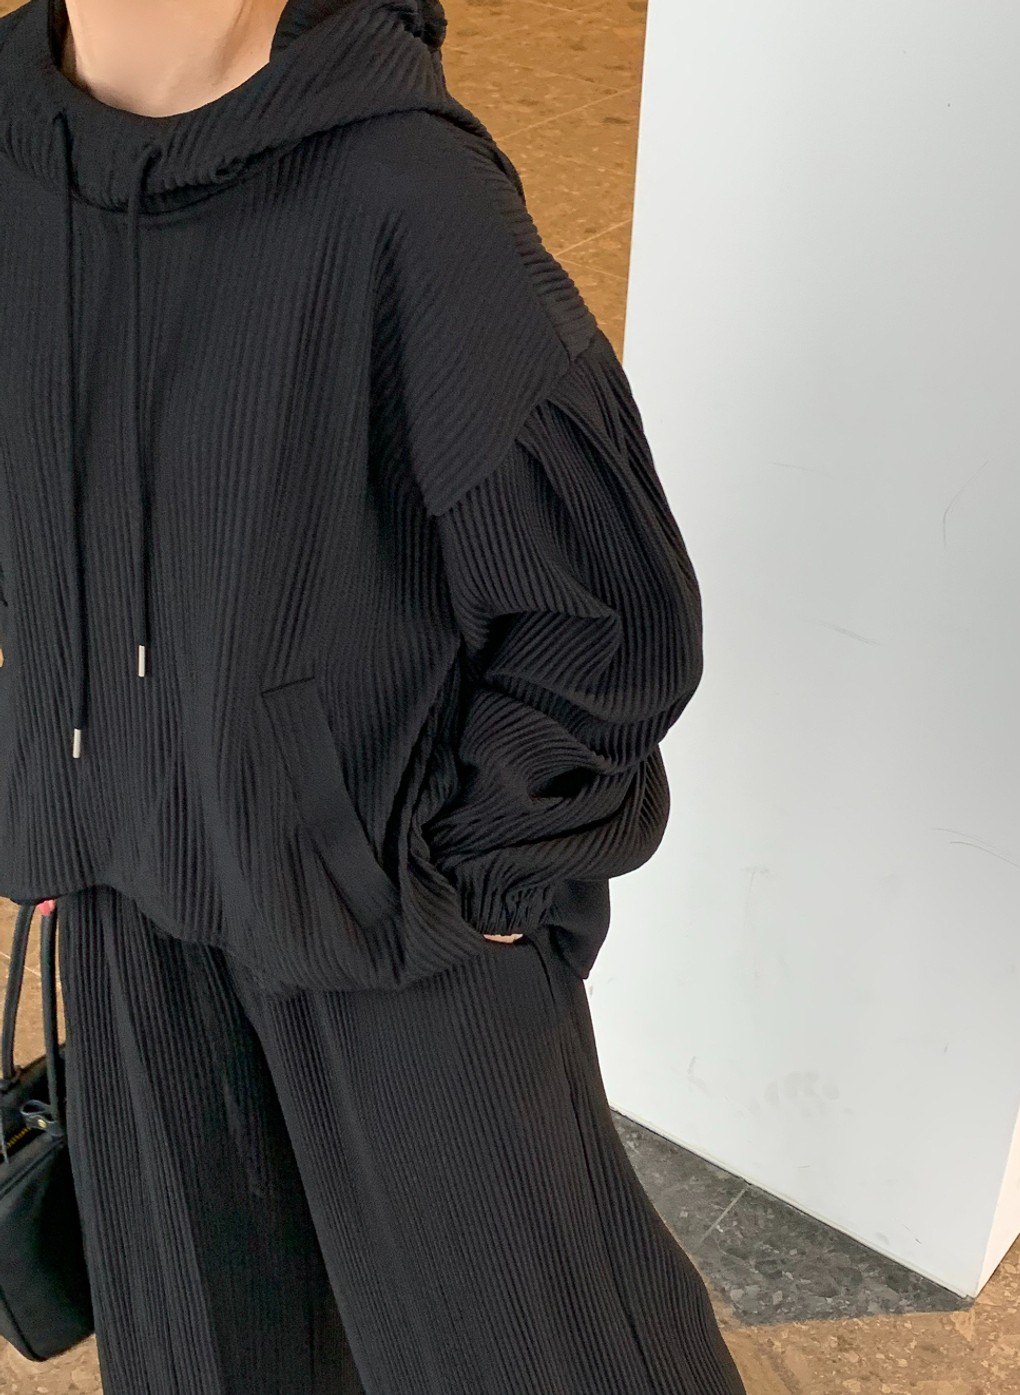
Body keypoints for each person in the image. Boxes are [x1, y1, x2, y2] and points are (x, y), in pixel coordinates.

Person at [0, 0, 749, 1391]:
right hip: (134, 902)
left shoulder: (399, 193)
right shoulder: (9, 154)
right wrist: (60, 771)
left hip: (385, 918)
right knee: (216, 1358)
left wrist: (481, 872)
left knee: (535, 1357)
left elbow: (611, 605)